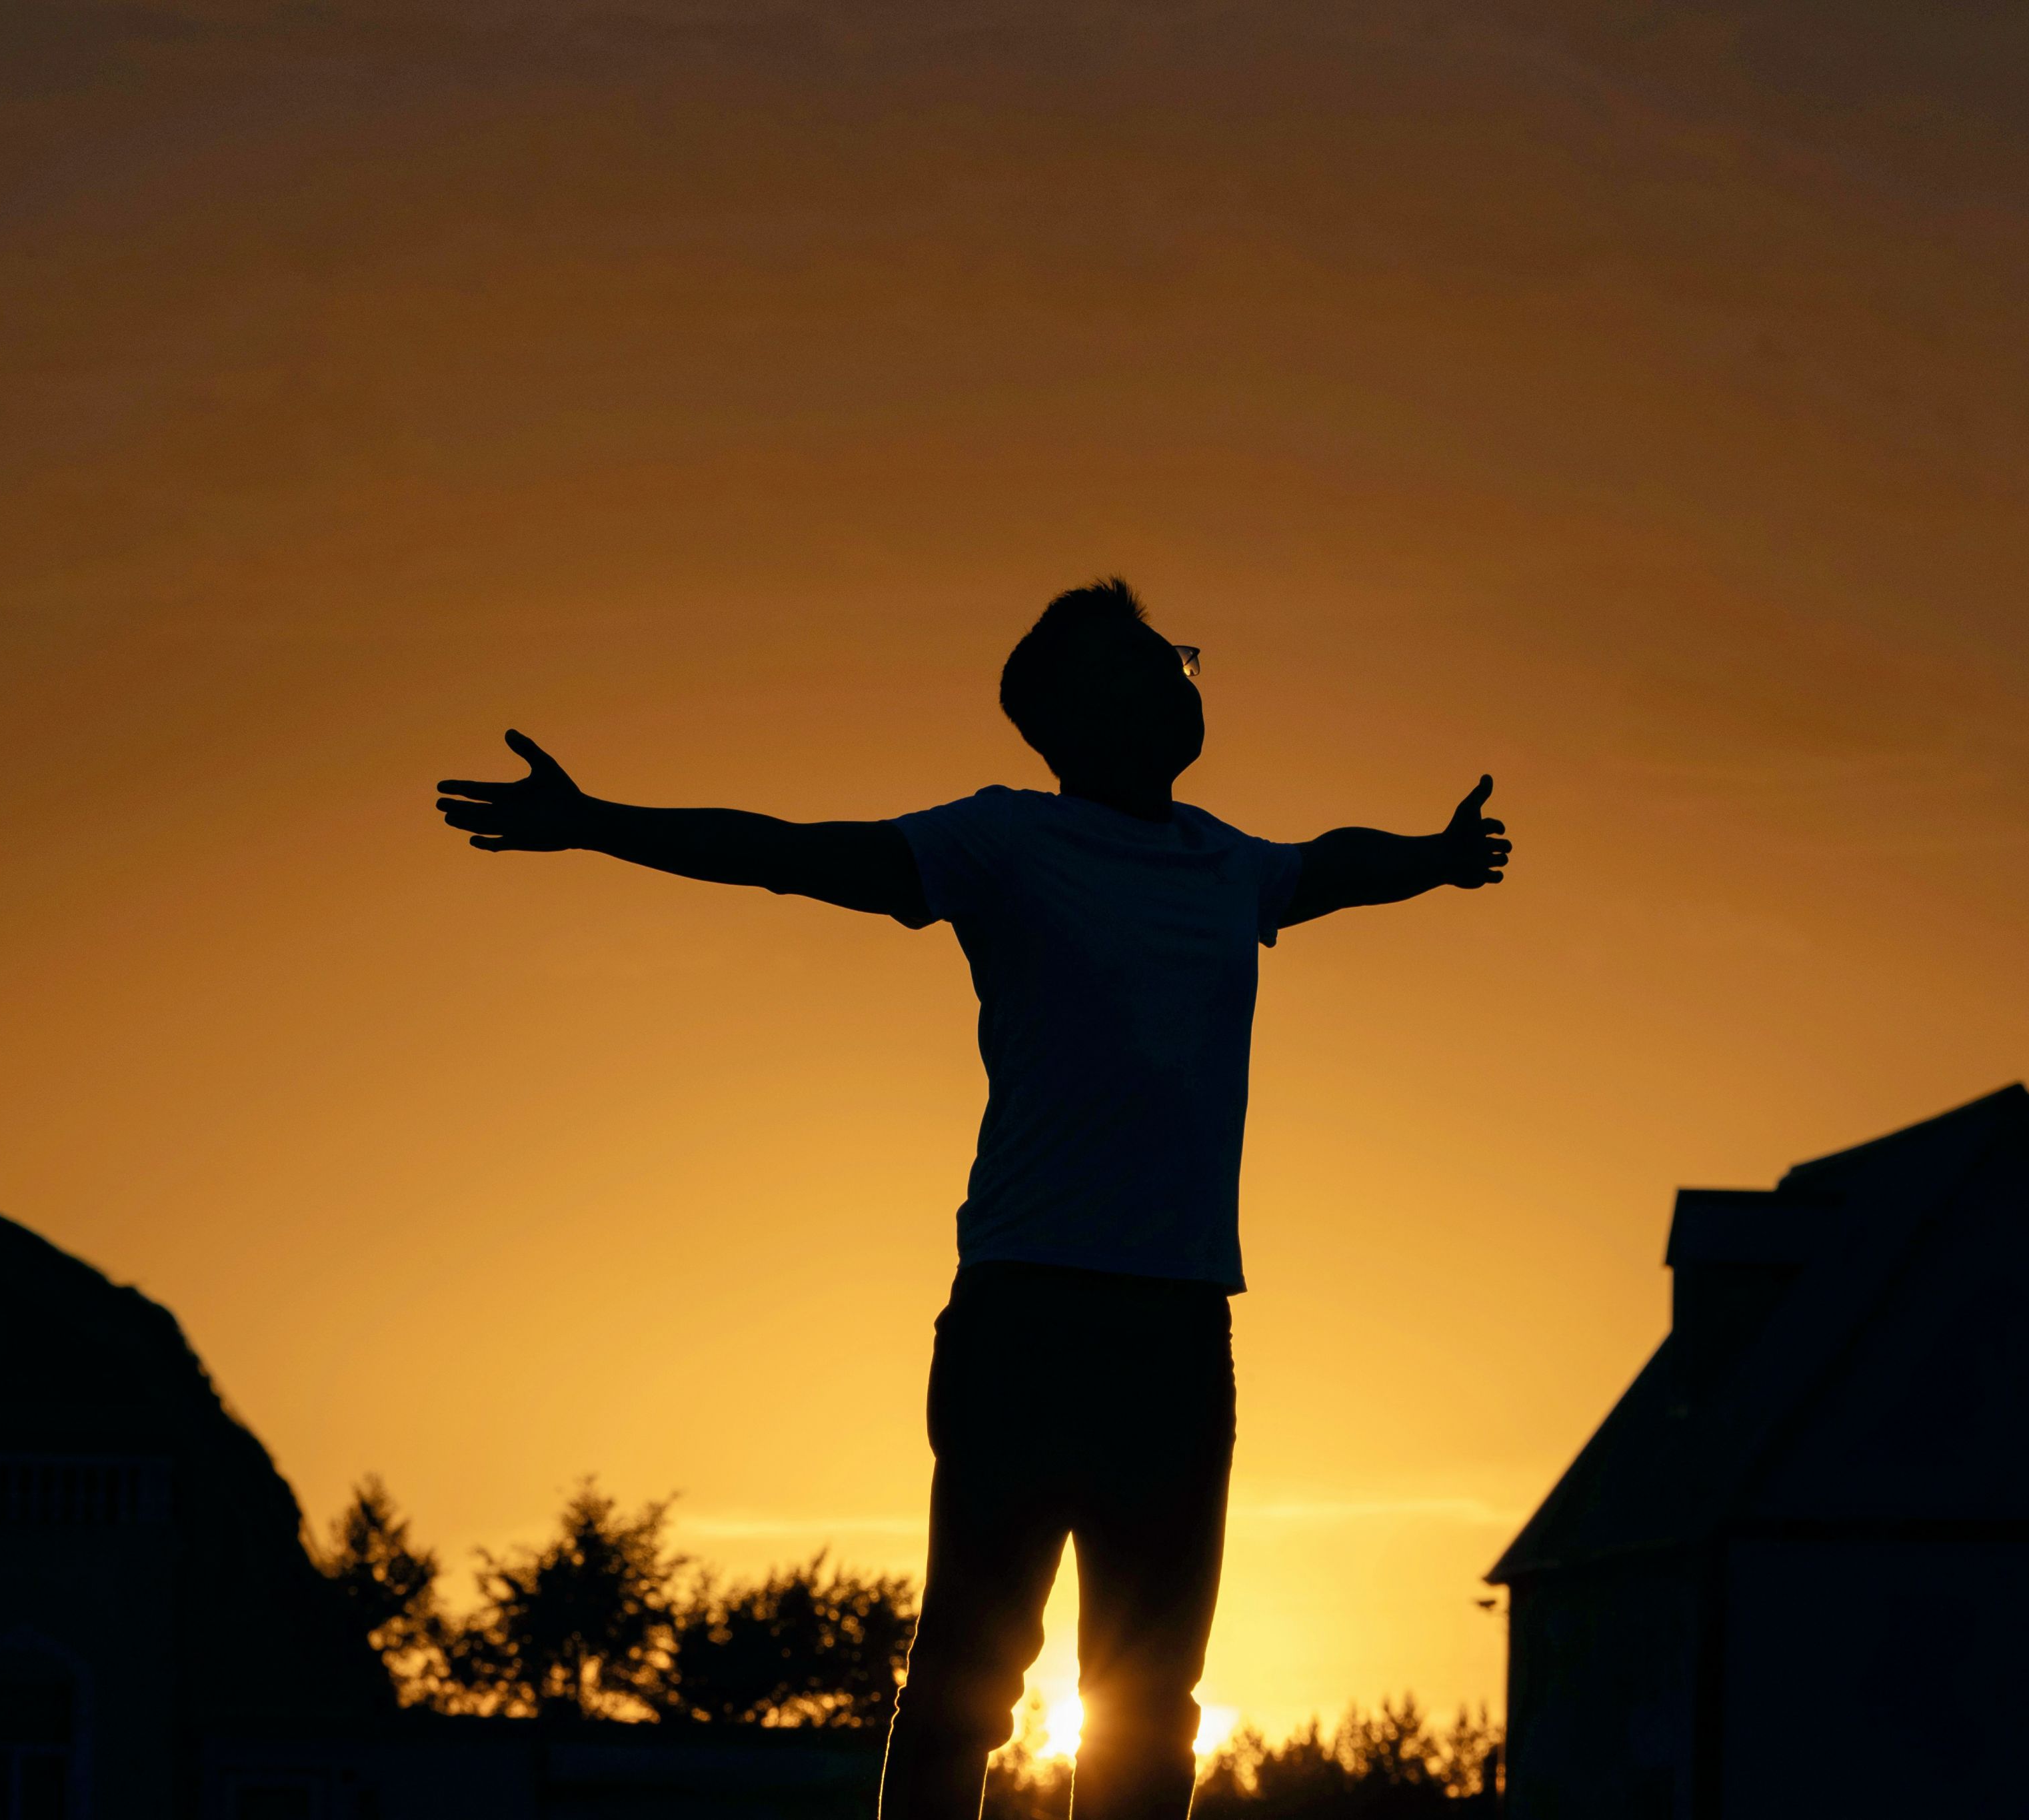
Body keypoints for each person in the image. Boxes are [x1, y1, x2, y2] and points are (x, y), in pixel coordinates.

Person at [433, 578, 1510, 1820]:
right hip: (1028, 1318)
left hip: (1178, 1331)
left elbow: (1329, 866)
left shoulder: (1224, 865)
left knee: (1155, 1702)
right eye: (1151, 662)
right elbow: (793, 853)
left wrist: (1433, 859)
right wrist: (596, 821)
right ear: (1073, 712)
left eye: (1183, 658)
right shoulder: (1003, 842)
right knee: (966, 1686)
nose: (1182, 679)